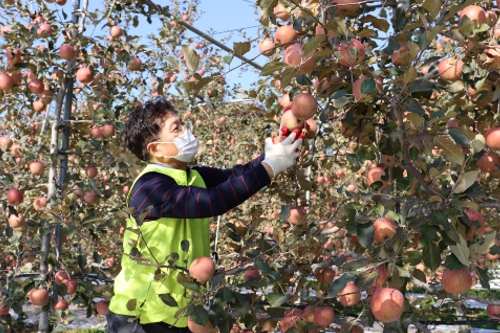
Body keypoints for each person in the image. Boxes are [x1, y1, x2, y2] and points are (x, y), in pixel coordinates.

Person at [106, 97, 303, 333]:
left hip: (180, 312)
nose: (186, 132)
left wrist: (271, 154)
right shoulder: (149, 188)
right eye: (177, 128)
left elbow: (233, 178)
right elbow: (211, 202)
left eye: (183, 125)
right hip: (141, 316)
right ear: (155, 148)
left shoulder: (192, 176)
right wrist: (270, 167)